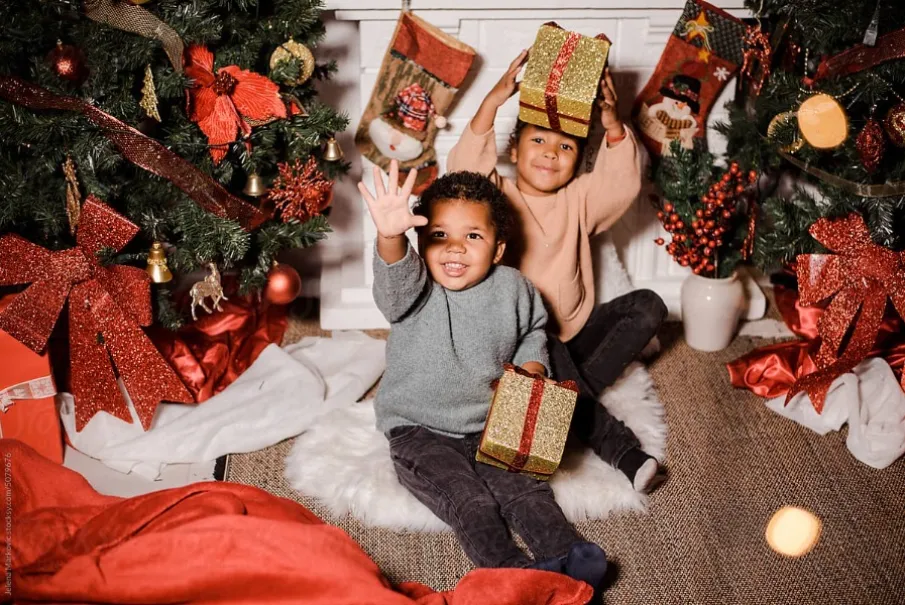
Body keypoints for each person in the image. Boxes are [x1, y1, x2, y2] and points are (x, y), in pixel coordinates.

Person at [360, 161, 608, 594]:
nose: (455, 249)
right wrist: (390, 236)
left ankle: (566, 552)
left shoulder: (514, 287)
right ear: (421, 241)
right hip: (418, 430)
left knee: (525, 491)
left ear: (497, 249)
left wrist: (533, 367)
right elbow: (392, 286)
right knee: (472, 503)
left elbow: (532, 331)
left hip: (490, 420)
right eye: (440, 236)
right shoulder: (415, 287)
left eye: (472, 236)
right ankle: (510, 575)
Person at [447, 49, 668, 491]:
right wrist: (491, 103)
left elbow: (622, 184)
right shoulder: (495, 195)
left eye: (565, 146)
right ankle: (619, 449)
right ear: (514, 148)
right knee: (539, 329)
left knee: (648, 306)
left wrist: (611, 124)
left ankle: (557, 409)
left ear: (579, 158)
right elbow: (462, 176)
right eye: (538, 142)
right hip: (514, 352)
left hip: (571, 340)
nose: (551, 154)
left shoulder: (581, 199)